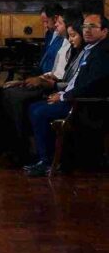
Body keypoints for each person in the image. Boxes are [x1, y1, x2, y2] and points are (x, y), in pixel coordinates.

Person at [25, 13, 109, 177]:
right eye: (85, 27)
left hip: (88, 106)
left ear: (105, 31)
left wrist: (63, 96)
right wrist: (62, 92)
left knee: (38, 111)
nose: (87, 31)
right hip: (75, 99)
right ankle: (46, 156)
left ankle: (48, 161)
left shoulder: (103, 53)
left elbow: (91, 86)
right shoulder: (90, 49)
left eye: (93, 27)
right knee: (34, 106)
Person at [0, 18, 83, 164]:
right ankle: (21, 148)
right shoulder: (68, 46)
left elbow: (71, 80)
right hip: (55, 84)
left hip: (62, 91)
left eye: (60, 22)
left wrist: (52, 85)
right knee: (8, 92)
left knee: (20, 100)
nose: (55, 25)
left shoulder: (81, 51)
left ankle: (31, 153)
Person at [38, 3, 65, 74]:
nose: (45, 25)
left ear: (55, 18)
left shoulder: (65, 36)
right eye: (43, 22)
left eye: (46, 22)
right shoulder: (49, 34)